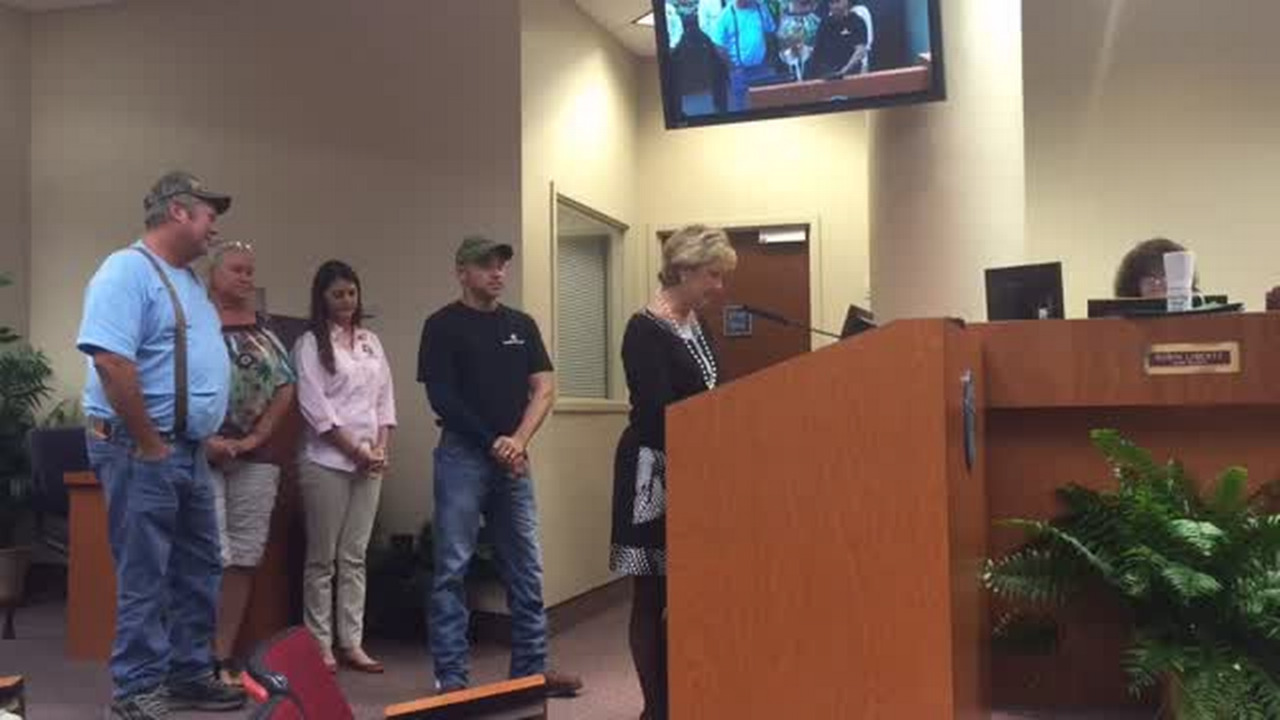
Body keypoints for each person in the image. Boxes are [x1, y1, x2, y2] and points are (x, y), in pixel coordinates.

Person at [76, 171, 245, 718]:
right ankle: (136, 688)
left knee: (200, 566)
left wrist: (200, 430)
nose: (214, 224)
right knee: (145, 570)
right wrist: (150, 443)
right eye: (208, 213)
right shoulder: (125, 271)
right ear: (178, 212)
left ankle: (189, 673)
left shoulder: (189, 282)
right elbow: (111, 361)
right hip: (138, 448)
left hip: (187, 450)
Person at [418, 236, 582, 698]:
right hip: (462, 457)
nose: (497, 273)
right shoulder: (442, 326)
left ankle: (530, 673)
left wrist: (518, 440)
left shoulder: (521, 325)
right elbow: (442, 398)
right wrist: (494, 442)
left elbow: (544, 388)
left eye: (501, 266)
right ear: (461, 271)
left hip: (514, 458)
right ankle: (452, 680)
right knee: (452, 567)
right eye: (486, 266)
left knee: (526, 569)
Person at [611, 225, 738, 720]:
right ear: (683, 269)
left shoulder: (696, 325)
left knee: (689, 588)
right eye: (713, 275)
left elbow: (714, 393)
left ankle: (688, 694)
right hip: (653, 471)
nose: (719, 287)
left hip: (698, 468)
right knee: (651, 591)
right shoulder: (644, 328)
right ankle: (655, 709)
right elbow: (658, 411)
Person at [293, 260, 396, 674]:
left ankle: (351, 642)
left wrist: (380, 448)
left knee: (354, 556)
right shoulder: (309, 343)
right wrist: (355, 450)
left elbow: (385, 400)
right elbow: (315, 407)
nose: (347, 301)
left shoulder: (371, 341)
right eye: (338, 294)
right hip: (327, 462)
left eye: (352, 293)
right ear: (322, 298)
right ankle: (320, 645)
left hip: (369, 461)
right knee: (322, 560)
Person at [204, 240, 296, 686]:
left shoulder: (265, 330)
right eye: (236, 270)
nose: (245, 278)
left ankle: (223, 655)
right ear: (212, 275)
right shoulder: (194, 324)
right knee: (210, 555)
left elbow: (285, 386)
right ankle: (193, 657)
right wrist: (206, 440)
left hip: (255, 458)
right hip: (202, 455)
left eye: (250, 271)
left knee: (243, 556)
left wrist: (256, 437)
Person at [711, 0, 778, 112]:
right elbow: (718, 44)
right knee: (743, 110)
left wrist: (770, 58)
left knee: (766, 106)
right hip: (739, 71)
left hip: (763, 68)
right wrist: (731, 66)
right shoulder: (726, 15)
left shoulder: (761, 8)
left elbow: (771, 31)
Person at [1113, 237, 1197, 298]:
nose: (1157, 283)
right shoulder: (1116, 321)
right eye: (1150, 278)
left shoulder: (1201, 318)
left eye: (1164, 275)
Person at [810, 0, 870, 78]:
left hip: (852, 76)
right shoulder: (824, 24)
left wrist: (844, 70)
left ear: (846, 2)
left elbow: (860, 50)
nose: (835, 6)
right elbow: (817, 52)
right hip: (827, 76)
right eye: (832, 3)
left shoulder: (857, 21)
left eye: (838, 2)